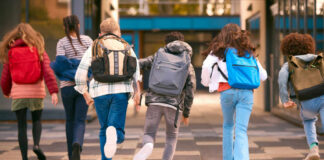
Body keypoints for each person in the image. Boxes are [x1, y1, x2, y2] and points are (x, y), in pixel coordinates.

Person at [74, 18, 141, 160]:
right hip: (121, 93)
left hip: (100, 93)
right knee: (117, 130)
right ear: (119, 33)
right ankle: (117, 136)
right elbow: (136, 71)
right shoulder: (125, 45)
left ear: (100, 33)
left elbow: (80, 73)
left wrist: (84, 92)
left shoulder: (95, 45)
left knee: (104, 129)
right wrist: (137, 93)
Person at [201, 23, 267, 160]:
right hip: (247, 94)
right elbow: (264, 76)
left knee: (228, 126)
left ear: (223, 35)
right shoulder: (249, 52)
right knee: (241, 130)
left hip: (227, 91)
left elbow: (206, 67)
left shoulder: (219, 51)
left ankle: (228, 158)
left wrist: (206, 83)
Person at [133, 31, 196, 160]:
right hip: (175, 105)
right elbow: (191, 88)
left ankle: (148, 145)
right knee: (171, 137)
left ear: (167, 44)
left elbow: (138, 64)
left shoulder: (158, 55)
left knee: (149, 132)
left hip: (154, 101)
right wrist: (186, 112)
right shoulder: (187, 61)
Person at [0, 23, 59, 160]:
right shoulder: (38, 49)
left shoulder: (11, 52)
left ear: (15, 36)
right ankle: (37, 145)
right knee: (36, 121)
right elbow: (48, 72)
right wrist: (53, 91)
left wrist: (6, 90)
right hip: (36, 92)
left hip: (18, 93)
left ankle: (24, 157)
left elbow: (5, 76)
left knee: (21, 126)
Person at [51, 15, 93, 160]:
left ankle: (71, 155)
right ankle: (77, 143)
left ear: (65, 27)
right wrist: (81, 68)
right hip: (83, 88)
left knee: (70, 120)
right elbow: (93, 62)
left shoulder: (61, 43)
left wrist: (71, 65)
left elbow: (61, 65)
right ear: (78, 25)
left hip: (67, 88)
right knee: (80, 120)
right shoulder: (88, 41)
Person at [278, 33, 321, 160]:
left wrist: (285, 100)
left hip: (306, 99)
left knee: (308, 121)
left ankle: (313, 149)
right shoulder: (319, 59)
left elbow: (281, 80)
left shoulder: (289, 64)